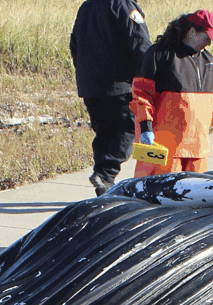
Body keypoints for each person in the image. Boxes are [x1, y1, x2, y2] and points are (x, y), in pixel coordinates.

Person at [130, 9, 213, 178]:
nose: (209, 43)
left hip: (198, 151)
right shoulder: (159, 55)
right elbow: (142, 95)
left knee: (197, 194)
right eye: (207, 37)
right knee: (155, 192)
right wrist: (145, 129)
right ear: (192, 32)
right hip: (161, 151)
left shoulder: (209, 62)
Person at [70, 0, 151, 196]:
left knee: (104, 134)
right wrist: (150, 75)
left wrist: (85, 74)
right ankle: (105, 174)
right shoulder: (123, 5)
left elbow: (74, 44)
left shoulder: (86, 6)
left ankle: (103, 183)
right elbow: (139, 42)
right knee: (128, 128)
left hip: (91, 86)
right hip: (119, 84)